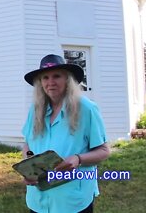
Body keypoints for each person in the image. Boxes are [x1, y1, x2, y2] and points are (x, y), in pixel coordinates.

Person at [21, 54, 110, 213]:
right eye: (45, 78)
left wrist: (78, 159)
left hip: (72, 201)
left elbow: (104, 151)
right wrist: (29, 164)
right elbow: (27, 143)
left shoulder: (87, 109)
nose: (50, 82)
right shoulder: (34, 110)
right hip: (38, 201)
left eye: (57, 76)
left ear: (68, 80)